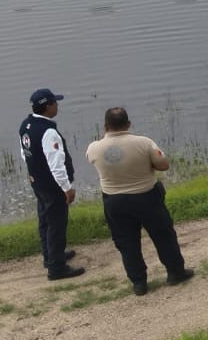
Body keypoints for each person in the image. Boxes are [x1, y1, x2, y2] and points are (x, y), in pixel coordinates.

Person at [84, 106, 194, 297]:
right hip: (146, 196)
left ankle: (139, 283)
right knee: (163, 235)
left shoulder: (94, 148)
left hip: (114, 201)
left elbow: (94, 161)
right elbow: (163, 165)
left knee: (126, 242)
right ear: (128, 124)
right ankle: (176, 272)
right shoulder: (144, 143)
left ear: (105, 126)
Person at [19, 88, 85, 281]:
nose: (57, 106)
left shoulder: (26, 125)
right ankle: (57, 268)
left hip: (37, 182)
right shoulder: (48, 131)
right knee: (56, 225)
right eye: (55, 103)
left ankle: (50, 257)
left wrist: (35, 172)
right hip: (53, 186)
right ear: (48, 106)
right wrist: (67, 188)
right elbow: (56, 164)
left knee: (45, 220)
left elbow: (25, 153)